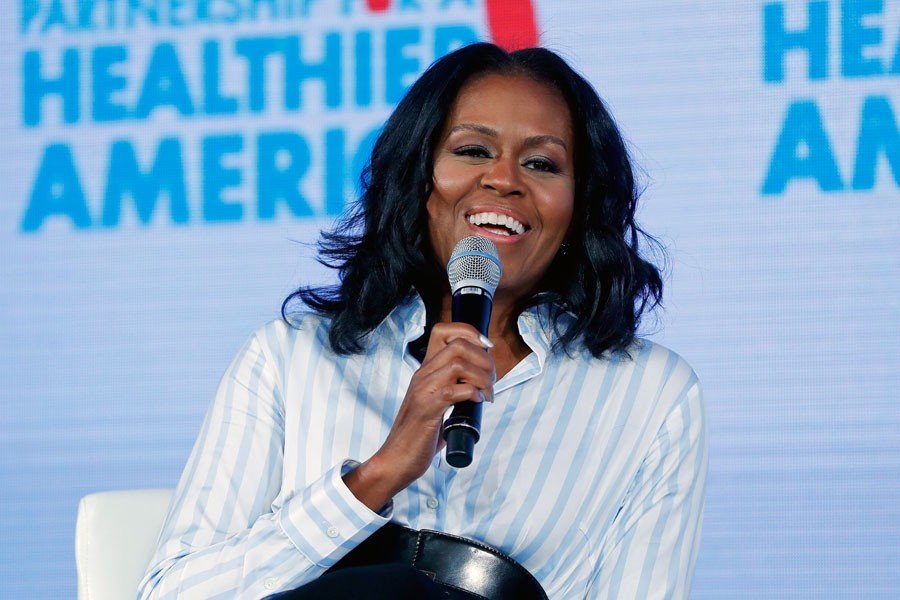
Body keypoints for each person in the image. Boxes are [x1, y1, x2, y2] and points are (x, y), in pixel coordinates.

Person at [137, 42, 707, 599]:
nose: (504, 179)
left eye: (541, 163)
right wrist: (378, 475)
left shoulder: (651, 392)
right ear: (418, 179)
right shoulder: (290, 357)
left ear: (580, 205)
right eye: (472, 151)